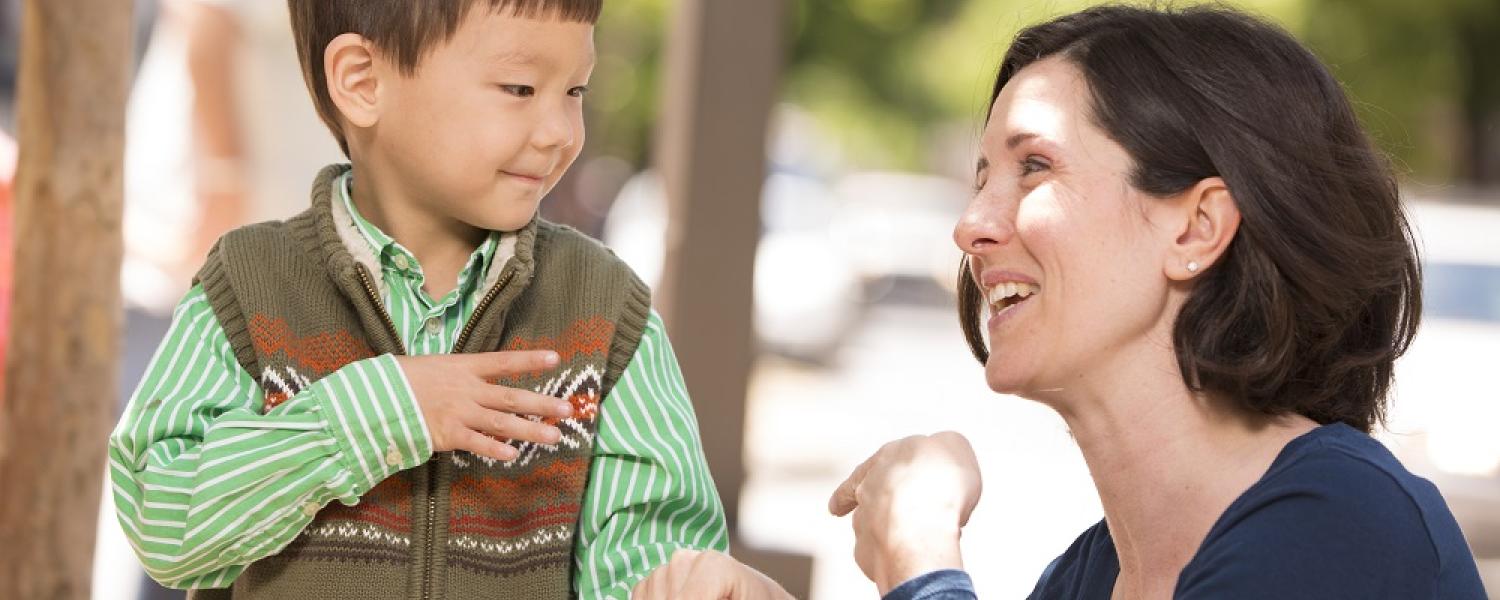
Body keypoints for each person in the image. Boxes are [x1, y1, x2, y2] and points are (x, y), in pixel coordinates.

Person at [631, 5, 1488, 599]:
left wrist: (923, 560)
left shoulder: (1346, 529)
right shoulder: (1094, 573)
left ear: (1196, 228)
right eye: (979, 179)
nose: (970, 226)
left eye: (1032, 166)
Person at [107, 1, 727, 598]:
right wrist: (385, 410)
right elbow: (164, 524)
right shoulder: (246, 285)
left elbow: (651, 558)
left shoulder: (606, 314)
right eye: (519, 88)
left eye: (575, 91)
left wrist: (698, 587)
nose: (560, 132)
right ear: (363, 80)